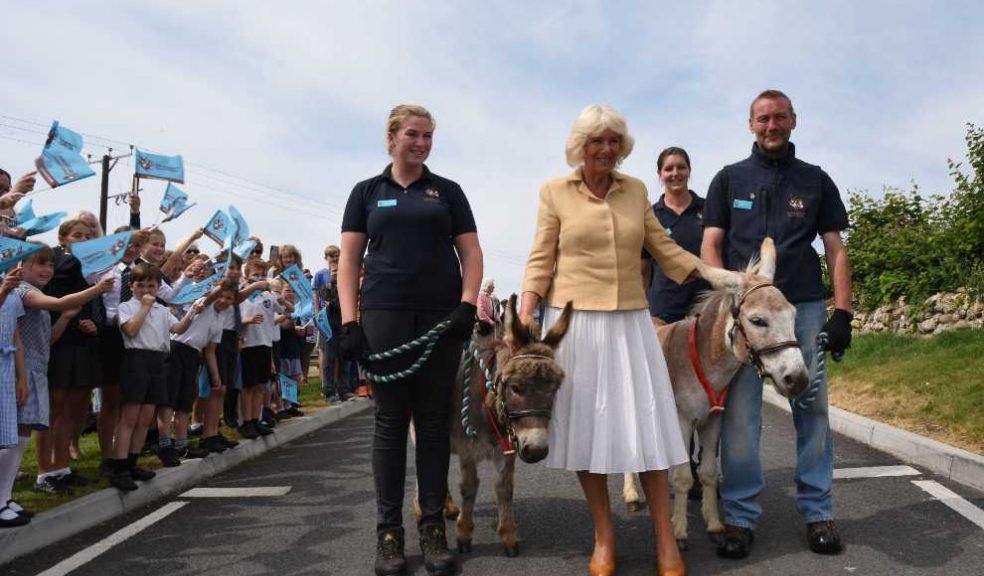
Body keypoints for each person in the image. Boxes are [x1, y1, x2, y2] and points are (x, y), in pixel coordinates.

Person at [519, 104, 701, 576]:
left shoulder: (636, 189)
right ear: (580, 146)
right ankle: (604, 538)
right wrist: (525, 313)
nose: (606, 148)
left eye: (613, 141)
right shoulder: (554, 191)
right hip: (574, 323)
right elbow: (540, 257)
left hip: (630, 322)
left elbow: (665, 248)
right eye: (597, 140)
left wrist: (720, 278)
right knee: (588, 433)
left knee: (651, 431)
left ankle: (666, 541)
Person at [701, 89, 853, 558]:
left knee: (812, 409)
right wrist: (727, 299)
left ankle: (818, 511)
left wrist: (842, 311)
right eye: (763, 118)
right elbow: (711, 245)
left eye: (780, 117)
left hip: (801, 308)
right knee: (742, 417)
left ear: (793, 121)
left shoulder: (816, 180)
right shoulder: (728, 180)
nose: (772, 125)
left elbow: (835, 248)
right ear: (751, 124)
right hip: (746, 316)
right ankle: (741, 517)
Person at [338, 104, 483, 576]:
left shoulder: (448, 192)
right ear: (391, 138)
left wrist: (466, 304)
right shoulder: (366, 193)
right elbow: (349, 261)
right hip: (385, 315)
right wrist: (348, 321)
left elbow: (471, 251)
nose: (420, 144)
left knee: (435, 422)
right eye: (412, 135)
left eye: (427, 137)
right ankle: (388, 534)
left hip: (440, 318)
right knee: (390, 423)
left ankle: (434, 529)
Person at [110, 263, 196, 491]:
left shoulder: (161, 309)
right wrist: (145, 307)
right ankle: (119, 467)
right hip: (136, 360)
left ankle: (132, 461)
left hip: (158, 361)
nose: (146, 289)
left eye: (152, 285)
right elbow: (130, 330)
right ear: (131, 286)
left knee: (146, 416)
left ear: (159, 287)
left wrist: (193, 311)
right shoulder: (127, 307)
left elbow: (178, 328)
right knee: (130, 417)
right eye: (141, 285)